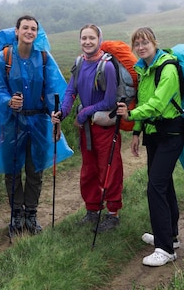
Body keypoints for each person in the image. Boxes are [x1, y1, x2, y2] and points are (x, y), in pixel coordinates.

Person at [0, 15, 72, 235]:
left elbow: (55, 89)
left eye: (33, 29)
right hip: (12, 122)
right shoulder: (3, 57)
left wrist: (57, 117)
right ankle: (16, 215)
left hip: (38, 122)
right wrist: (8, 101)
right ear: (16, 31)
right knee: (13, 170)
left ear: (37, 33)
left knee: (35, 170)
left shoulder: (44, 58)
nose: (29, 32)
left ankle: (31, 215)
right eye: (25, 27)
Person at [116, 27, 184, 267]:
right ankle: (170, 235)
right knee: (164, 185)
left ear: (155, 43)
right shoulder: (144, 70)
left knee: (155, 187)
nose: (141, 47)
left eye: (145, 42)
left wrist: (131, 114)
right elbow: (146, 101)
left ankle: (165, 249)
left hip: (171, 133)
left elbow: (156, 104)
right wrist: (136, 131)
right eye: (137, 44)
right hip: (154, 134)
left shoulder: (167, 68)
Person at [51, 24, 123, 233]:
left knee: (109, 168)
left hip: (104, 127)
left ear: (99, 39)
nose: (87, 42)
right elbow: (71, 92)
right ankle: (92, 210)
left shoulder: (107, 66)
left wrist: (82, 114)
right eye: (84, 38)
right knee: (89, 170)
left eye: (91, 38)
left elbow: (109, 101)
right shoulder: (79, 63)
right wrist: (62, 113)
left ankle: (112, 214)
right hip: (87, 129)